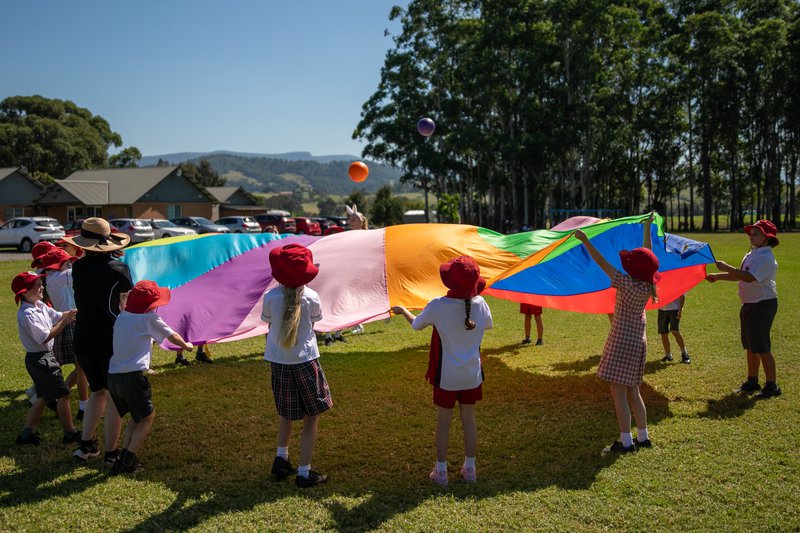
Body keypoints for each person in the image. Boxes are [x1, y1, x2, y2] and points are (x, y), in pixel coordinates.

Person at [392, 255, 493, 485]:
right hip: (472, 374)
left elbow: (417, 324)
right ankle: (470, 469)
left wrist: (402, 310)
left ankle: (441, 472)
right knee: (469, 419)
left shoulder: (438, 305)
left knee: (443, 422)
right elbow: (485, 324)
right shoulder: (481, 304)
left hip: (446, 376)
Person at [574, 213, 658, 454]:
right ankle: (643, 437)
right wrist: (647, 228)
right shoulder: (648, 284)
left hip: (621, 340)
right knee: (634, 390)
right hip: (638, 342)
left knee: (618, 392)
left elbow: (602, 263)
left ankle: (626, 441)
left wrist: (585, 240)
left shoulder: (624, 281)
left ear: (632, 269)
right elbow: (648, 255)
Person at [61, 218, 135, 464]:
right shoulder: (118, 269)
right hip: (110, 337)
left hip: (84, 337)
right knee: (114, 397)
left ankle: (86, 444)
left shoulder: (78, 268)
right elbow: (126, 302)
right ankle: (111, 453)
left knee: (96, 392)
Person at [261, 244, 332, 488]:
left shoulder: (270, 297)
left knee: (286, 413)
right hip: (305, 361)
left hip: (279, 362)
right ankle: (304, 472)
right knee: (311, 417)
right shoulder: (311, 297)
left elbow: (268, 324)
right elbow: (315, 324)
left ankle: (281, 458)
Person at [108, 280, 193, 475]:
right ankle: (127, 462)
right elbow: (172, 336)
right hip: (132, 377)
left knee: (136, 417)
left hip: (114, 377)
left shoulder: (122, 316)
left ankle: (123, 457)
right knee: (147, 417)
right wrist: (187, 346)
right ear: (149, 306)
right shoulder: (148, 319)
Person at [706, 219, 781, 398]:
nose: (751, 236)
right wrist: (718, 276)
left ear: (767, 238)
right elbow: (739, 275)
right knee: (750, 346)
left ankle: (772, 386)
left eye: (757, 234)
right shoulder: (753, 254)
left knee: (761, 346)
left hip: (762, 304)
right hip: (749, 304)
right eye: (751, 233)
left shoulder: (766, 258)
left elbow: (748, 277)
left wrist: (727, 267)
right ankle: (752, 381)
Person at [12, 272, 80, 444]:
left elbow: (57, 315)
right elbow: (44, 337)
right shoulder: (27, 314)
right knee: (63, 395)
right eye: (37, 285)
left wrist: (75, 312)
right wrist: (64, 323)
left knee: (43, 396)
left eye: (41, 283)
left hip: (43, 358)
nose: (42, 287)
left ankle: (26, 433)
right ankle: (70, 432)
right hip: (40, 359)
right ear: (25, 292)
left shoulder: (39, 305)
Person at [36, 248, 91, 419]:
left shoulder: (52, 278)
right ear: (58, 265)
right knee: (82, 368)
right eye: (66, 262)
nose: (69, 264)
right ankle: (84, 407)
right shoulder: (59, 277)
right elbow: (83, 267)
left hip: (65, 322)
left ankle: (53, 397)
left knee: (72, 367)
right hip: (72, 322)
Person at [658, 294, 690, 364]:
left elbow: (682, 295)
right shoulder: (660, 282)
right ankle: (668, 355)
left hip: (674, 309)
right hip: (661, 309)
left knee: (674, 331)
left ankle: (685, 353)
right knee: (663, 333)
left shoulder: (678, 283)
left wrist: (680, 310)